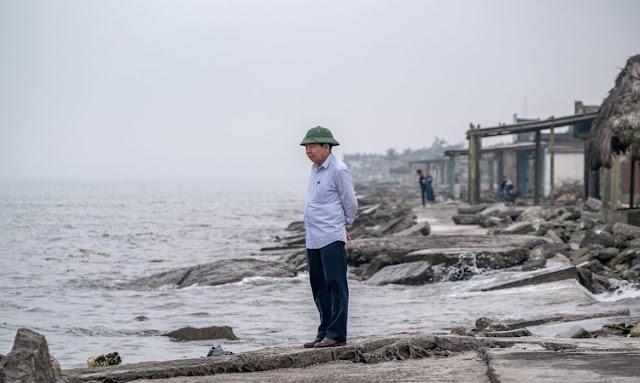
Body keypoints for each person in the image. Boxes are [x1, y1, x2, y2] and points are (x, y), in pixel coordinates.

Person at [300, 126, 358, 349]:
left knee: (336, 284)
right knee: (319, 286)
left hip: (331, 236)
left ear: (327, 147)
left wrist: (343, 225)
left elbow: (350, 202)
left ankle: (336, 334)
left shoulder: (339, 170)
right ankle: (324, 331)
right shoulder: (315, 170)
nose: (308, 150)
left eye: (312, 146)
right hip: (313, 237)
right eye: (306, 146)